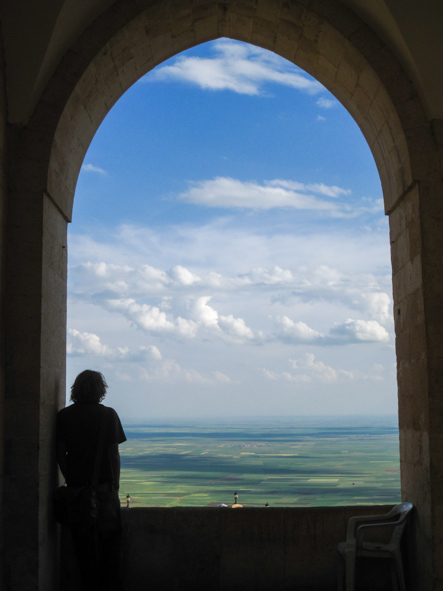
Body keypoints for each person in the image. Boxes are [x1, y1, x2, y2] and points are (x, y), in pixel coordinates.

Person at [56, 370, 127, 591]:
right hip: (105, 492)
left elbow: (60, 454)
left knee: (83, 551)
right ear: (101, 390)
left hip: (77, 493)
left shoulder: (64, 416)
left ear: (75, 389)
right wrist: (114, 485)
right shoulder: (109, 415)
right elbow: (114, 454)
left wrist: (72, 479)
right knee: (111, 551)